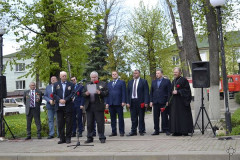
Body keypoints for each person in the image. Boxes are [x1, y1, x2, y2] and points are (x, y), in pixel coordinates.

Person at [82, 71, 109, 143]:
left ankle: (102, 137)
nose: (93, 79)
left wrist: (100, 92)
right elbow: (82, 94)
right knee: (89, 123)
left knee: (100, 123)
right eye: (92, 77)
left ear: (97, 77)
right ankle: (89, 137)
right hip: (89, 106)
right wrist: (86, 93)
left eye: (94, 77)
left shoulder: (102, 84)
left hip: (98, 106)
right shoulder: (87, 84)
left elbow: (107, 93)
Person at [169, 67, 193, 136]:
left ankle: (184, 131)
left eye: (176, 72)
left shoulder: (184, 80)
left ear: (180, 73)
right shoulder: (173, 81)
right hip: (175, 103)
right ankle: (176, 131)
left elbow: (187, 91)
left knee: (183, 117)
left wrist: (179, 91)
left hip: (182, 103)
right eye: (174, 72)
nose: (174, 73)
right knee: (175, 116)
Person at [53, 71, 74, 144]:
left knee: (69, 122)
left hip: (68, 105)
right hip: (59, 106)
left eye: (65, 76)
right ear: (60, 76)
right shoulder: (56, 84)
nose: (64, 77)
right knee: (60, 122)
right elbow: (54, 94)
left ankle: (68, 138)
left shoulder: (70, 84)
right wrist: (59, 100)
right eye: (63, 76)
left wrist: (66, 100)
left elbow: (72, 94)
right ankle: (62, 138)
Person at [126, 70, 149, 136]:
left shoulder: (143, 81)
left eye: (136, 73)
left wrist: (146, 102)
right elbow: (128, 93)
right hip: (132, 101)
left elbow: (146, 92)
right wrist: (127, 102)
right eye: (134, 73)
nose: (134, 74)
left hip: (140, 101)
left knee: (141, 117)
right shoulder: (130, 82)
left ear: (139, 74)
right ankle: (133, 131)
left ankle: (141, 130)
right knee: (133, 117)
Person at [150, 69, 171, 136]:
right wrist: (151, 101)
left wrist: (168, 100)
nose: (157, 74)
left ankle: (166, 129)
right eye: (156, 73)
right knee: (155, 117)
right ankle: (156, 130)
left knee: (164, 116)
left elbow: (169, 92)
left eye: (158, 73)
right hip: (155, 102)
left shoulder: (167, 81)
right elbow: (151, 92)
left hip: (163, 102)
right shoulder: (153, 82)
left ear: (161, 73)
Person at [106, 71, 126, 137]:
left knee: (120, 118)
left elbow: (124, 92)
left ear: (117, 75)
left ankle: (121, 131)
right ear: (111, 75)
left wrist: (123, 101)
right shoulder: (109, 84)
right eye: (113, 74)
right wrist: (107, 103)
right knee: (112, 119)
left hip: (119, 103)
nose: (114, 75)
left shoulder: (121, 82)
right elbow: (107, 94)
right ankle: (113, 132)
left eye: (115, 74)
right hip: (111, 104)